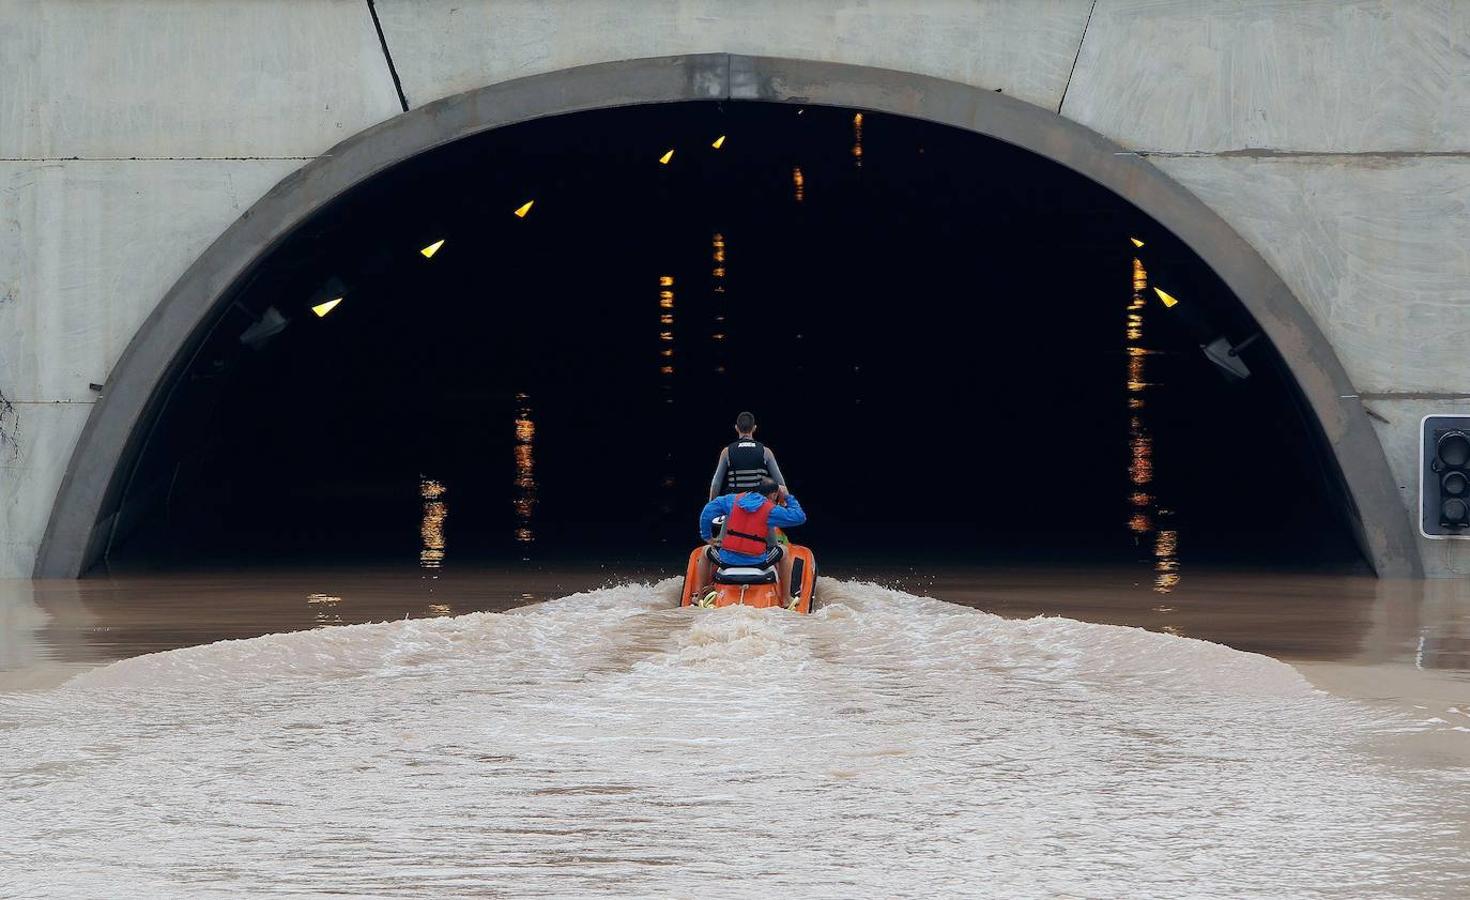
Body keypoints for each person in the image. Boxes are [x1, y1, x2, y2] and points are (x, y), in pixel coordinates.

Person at [700, 477, 806, 568]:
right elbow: (800, 517)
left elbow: (707, 511)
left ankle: (701, 591)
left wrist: (707, 536)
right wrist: (787, 496)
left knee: (706, 551)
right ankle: (786, 592)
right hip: (756, 561)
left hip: (727, 560)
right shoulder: (771, 510)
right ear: (774, 495)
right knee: (784, 551)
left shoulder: (732, 500)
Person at [708, 411, 787, 501]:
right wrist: (784, 505)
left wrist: (711, 505)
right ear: (754, 428)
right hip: (758, 505)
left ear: (736, 428)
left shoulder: (726, 452)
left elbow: (716, 484)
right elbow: (781, 484)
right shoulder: (766, 451)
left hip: (734, 505)